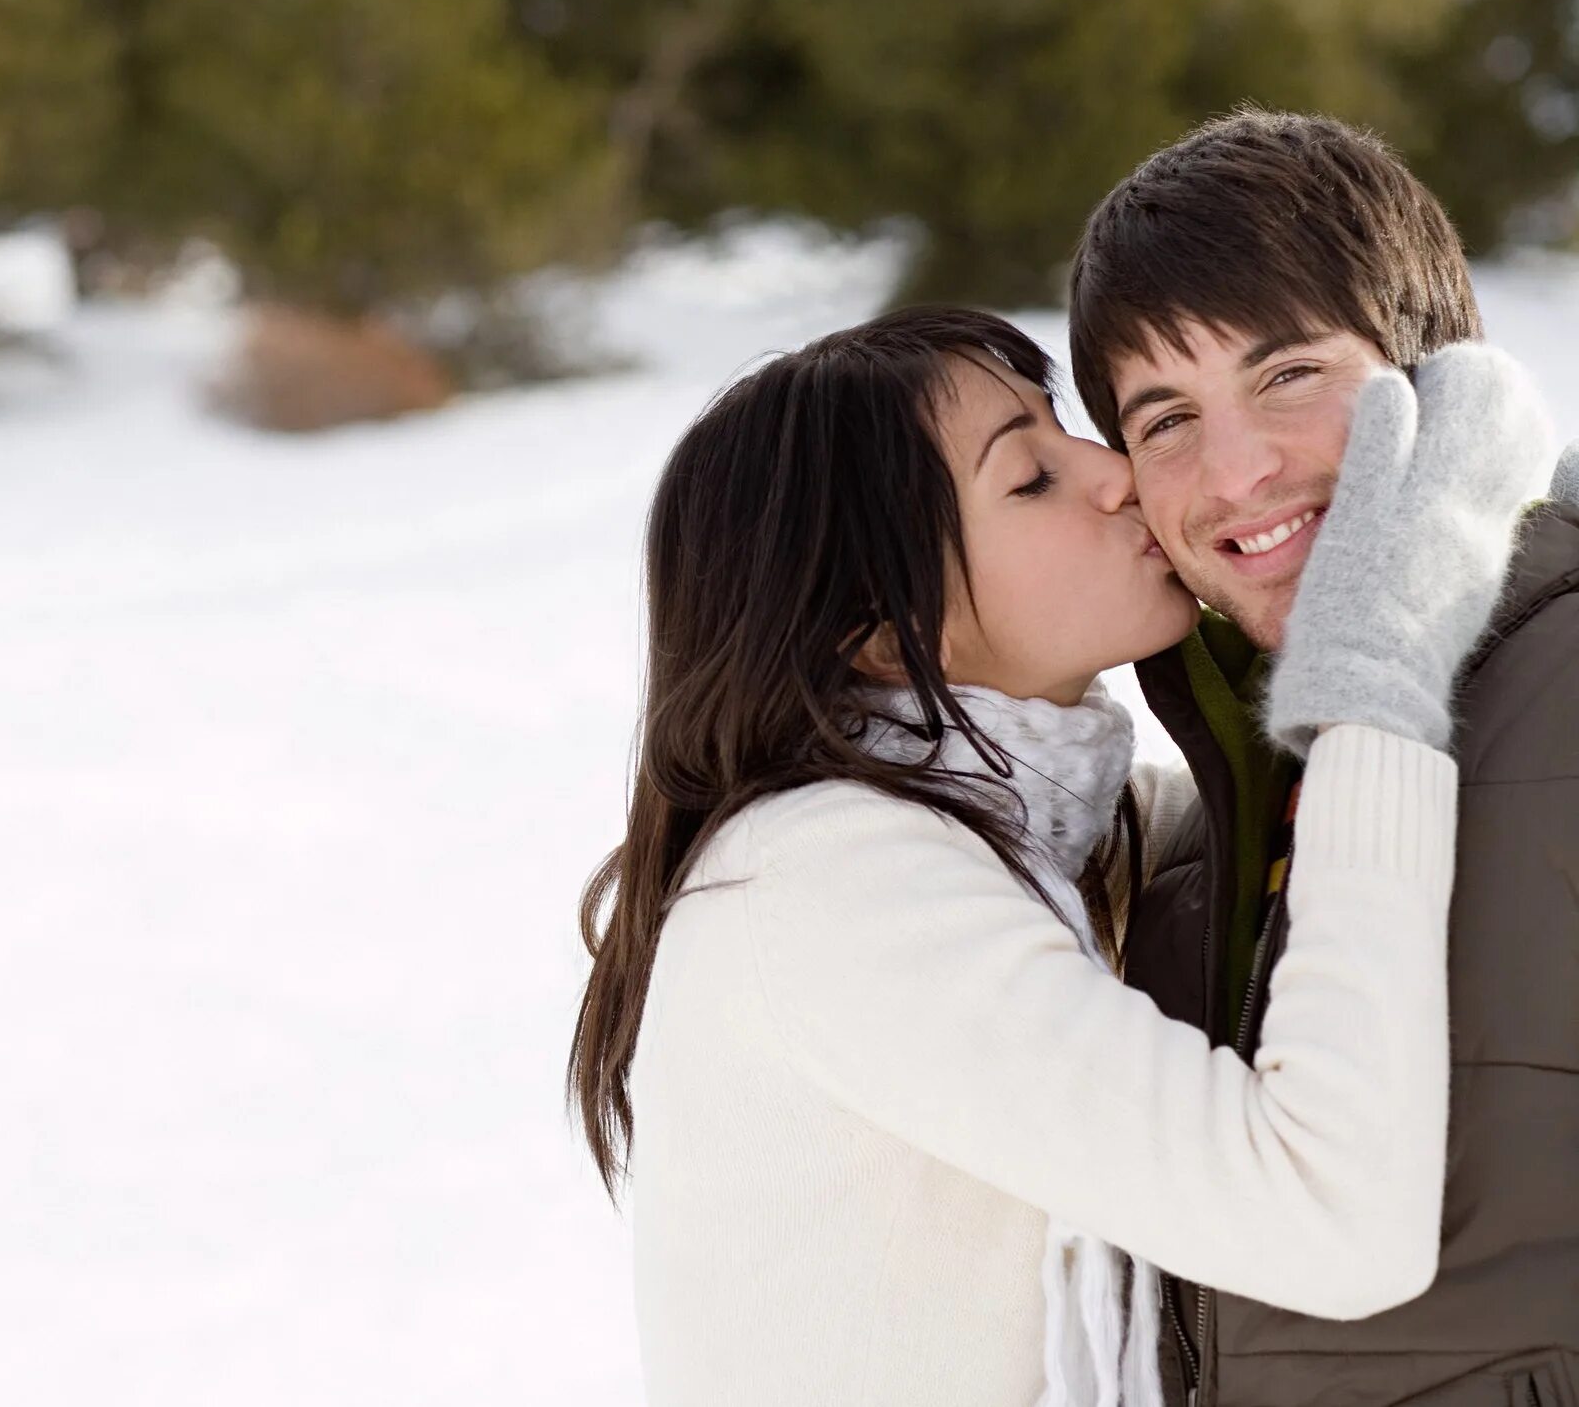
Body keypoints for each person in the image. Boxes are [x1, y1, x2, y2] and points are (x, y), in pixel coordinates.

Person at [567, 303, 1553, 1406]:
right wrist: (1379, 653)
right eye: (1028, 476)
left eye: (1065, 427)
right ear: (881, 632)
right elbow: (1331, 1219)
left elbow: (1371, 841)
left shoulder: (1044, 831)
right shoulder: (826, 883)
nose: (1115, 473)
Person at [1069, 109, 1579, 1407]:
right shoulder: (1200, 840)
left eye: (1290, 374)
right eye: (1165, 418)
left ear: (1436, 366)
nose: (1236, 474)